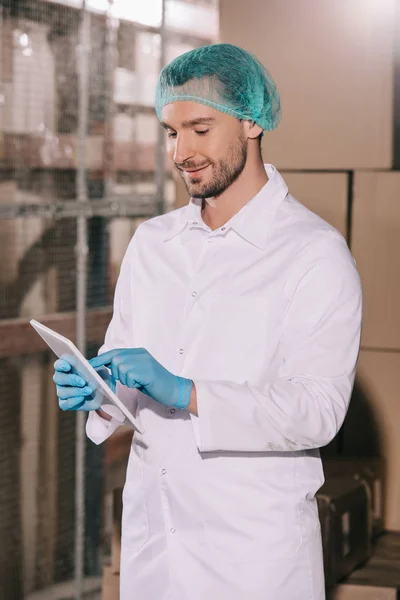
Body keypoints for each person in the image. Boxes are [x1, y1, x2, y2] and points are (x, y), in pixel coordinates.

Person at [53, 43, 362, 600]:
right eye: (172, 132)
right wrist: (98, 388)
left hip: (252, 559)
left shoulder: (314, 253)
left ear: (251, 122)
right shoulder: (153, 245)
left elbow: (318, 411)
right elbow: (127, 376)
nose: (181, 152)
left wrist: (187, 391)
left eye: (200, 128)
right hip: (156, 542)